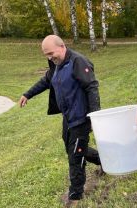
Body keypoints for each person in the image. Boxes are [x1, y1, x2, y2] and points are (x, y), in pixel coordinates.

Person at [19, 35, 102, 207]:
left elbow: (91, 87)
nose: (50, 57)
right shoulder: (56, 65)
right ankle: (104, 160)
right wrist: (27, 94)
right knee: (74, 149)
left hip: (81, 118)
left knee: (75, 156)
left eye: (51, 53)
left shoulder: (78, 62)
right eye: (46, 55)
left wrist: (95, 116)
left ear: (62, 46)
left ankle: (75, 197)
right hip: (68, 118)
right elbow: (45, 81)